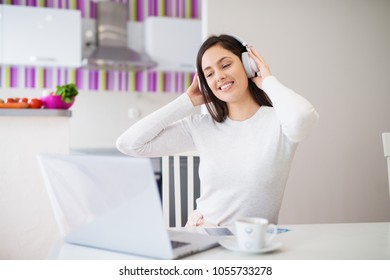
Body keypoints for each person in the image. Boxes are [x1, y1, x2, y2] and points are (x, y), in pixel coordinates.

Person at [116, 34, 319, 227]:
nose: (219, 76)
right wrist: (186, 101)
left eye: (226, 65)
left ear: (248, 66)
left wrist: (267, 80)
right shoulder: (200, 126)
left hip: (253, 243)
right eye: (209, 74)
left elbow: (303, 117)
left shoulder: (280, 122)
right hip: (204, 235)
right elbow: (129, 144)